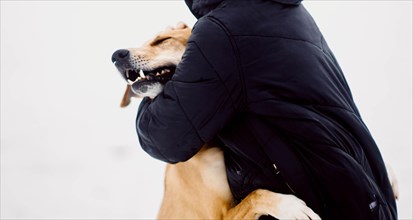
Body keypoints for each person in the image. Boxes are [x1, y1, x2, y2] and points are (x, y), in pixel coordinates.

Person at [136, 0, 397, 219]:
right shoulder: (294, 14)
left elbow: (166, 136)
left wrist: (145, 86)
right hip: (368, 196)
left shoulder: (220, 31)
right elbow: (329, 110)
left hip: (320, 205)